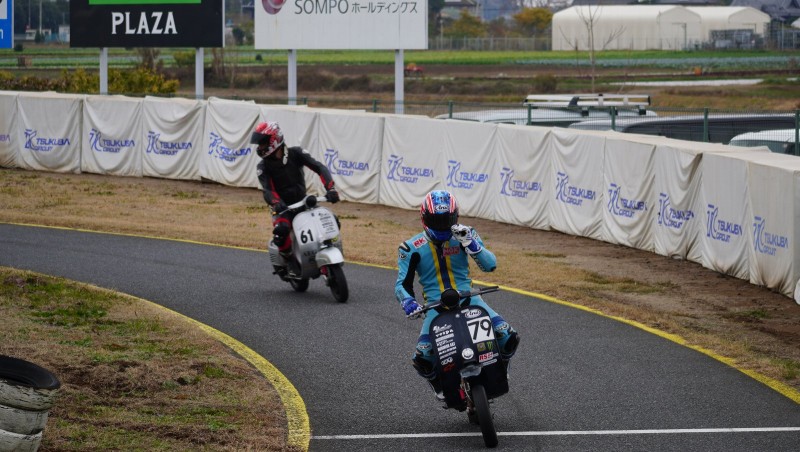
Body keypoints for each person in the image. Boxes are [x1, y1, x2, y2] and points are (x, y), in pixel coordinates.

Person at [395, 189, 519, 399]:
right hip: (436, 307)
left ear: (456, 217)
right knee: (422, 357)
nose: (442, 226)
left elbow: (490, 265)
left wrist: (471, 245)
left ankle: (502, 365)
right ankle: (438, 385)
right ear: (424, 218)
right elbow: (402, 284)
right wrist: (408, 301)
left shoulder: (466, 234)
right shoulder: (410, 247)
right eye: (436, 220)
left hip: (471, 299)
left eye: (447, 220)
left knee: (508, 336)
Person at [250, 121, 339, 272]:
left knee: (332, 220)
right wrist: (276, 202)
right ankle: (289, 258)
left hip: (304, 203)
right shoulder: (263, 167)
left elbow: (319, 167)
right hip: (283, 208)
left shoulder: (296, 153)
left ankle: (326, 252)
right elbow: (267, 190)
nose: (260, 147)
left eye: (263, 143)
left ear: (274, 140)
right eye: (259, 144)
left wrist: (331, 189)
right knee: (281, 231)